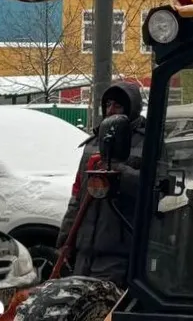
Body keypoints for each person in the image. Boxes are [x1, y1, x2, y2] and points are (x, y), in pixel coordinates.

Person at [57, 80, 146, 288]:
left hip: (119, 250)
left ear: (131, 109)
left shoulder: (147, 143)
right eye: (108, 105)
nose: (110, 110)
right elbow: (77, 197)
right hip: (84, 250)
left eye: (118, 106)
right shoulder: (93, 145)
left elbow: (153, 188)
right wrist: (65, 240)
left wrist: (118, 170)